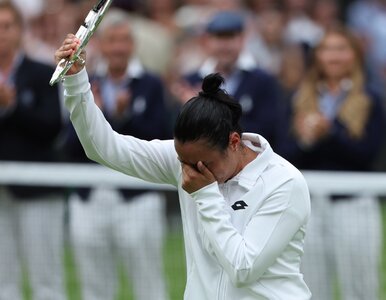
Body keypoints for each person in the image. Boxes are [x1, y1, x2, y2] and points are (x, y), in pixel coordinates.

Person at [55, 32, 312, 300]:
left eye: (203, 163)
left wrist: (205, 194)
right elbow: (103, 147)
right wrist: (75, 79)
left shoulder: (284, 183)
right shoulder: (188, 161)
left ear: (234, 142)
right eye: (183, 161)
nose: (189, 171)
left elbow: (243, 267)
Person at [63, 9, 170, 300]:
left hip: (137, 196)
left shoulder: (150, 84)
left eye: (124, 40)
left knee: (148, 283)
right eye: (112, 40)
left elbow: (159, 137)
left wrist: (120, 118)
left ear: (132, 45)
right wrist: (92, 112)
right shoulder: (82, 82)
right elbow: (70, 144)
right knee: (94, 286)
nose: (119, 48)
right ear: (101, 45)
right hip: (90, 197)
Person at [276, 24, 384, 300]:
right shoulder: (299, 97)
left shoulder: (371, 98)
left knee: (360, 288)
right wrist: (306, 140)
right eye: (327, 50)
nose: (333, 57)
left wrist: (330, 131)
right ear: (317, 56)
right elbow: (284, 155)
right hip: (308, 206)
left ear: (354, 55)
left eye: (341, 49)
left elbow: (367, 154)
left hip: (355, 203)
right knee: (310, 288)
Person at [0, 1, 65, 300]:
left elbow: (52, 127)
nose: (1, 34)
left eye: (6, 26)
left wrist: (12, 106)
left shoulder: (42, 73)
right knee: (4, 280)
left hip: (37, 192)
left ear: (19, 31)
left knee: (46, 279)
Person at [170, 10, 282, 148]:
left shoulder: (263, 81)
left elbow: (268, 131)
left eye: (230, 37)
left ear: (242, 39)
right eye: (219, 37)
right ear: (206, 41)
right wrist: (190, 109)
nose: (224, 46)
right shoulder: (190, 81)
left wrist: (203, 109)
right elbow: (175, 133)